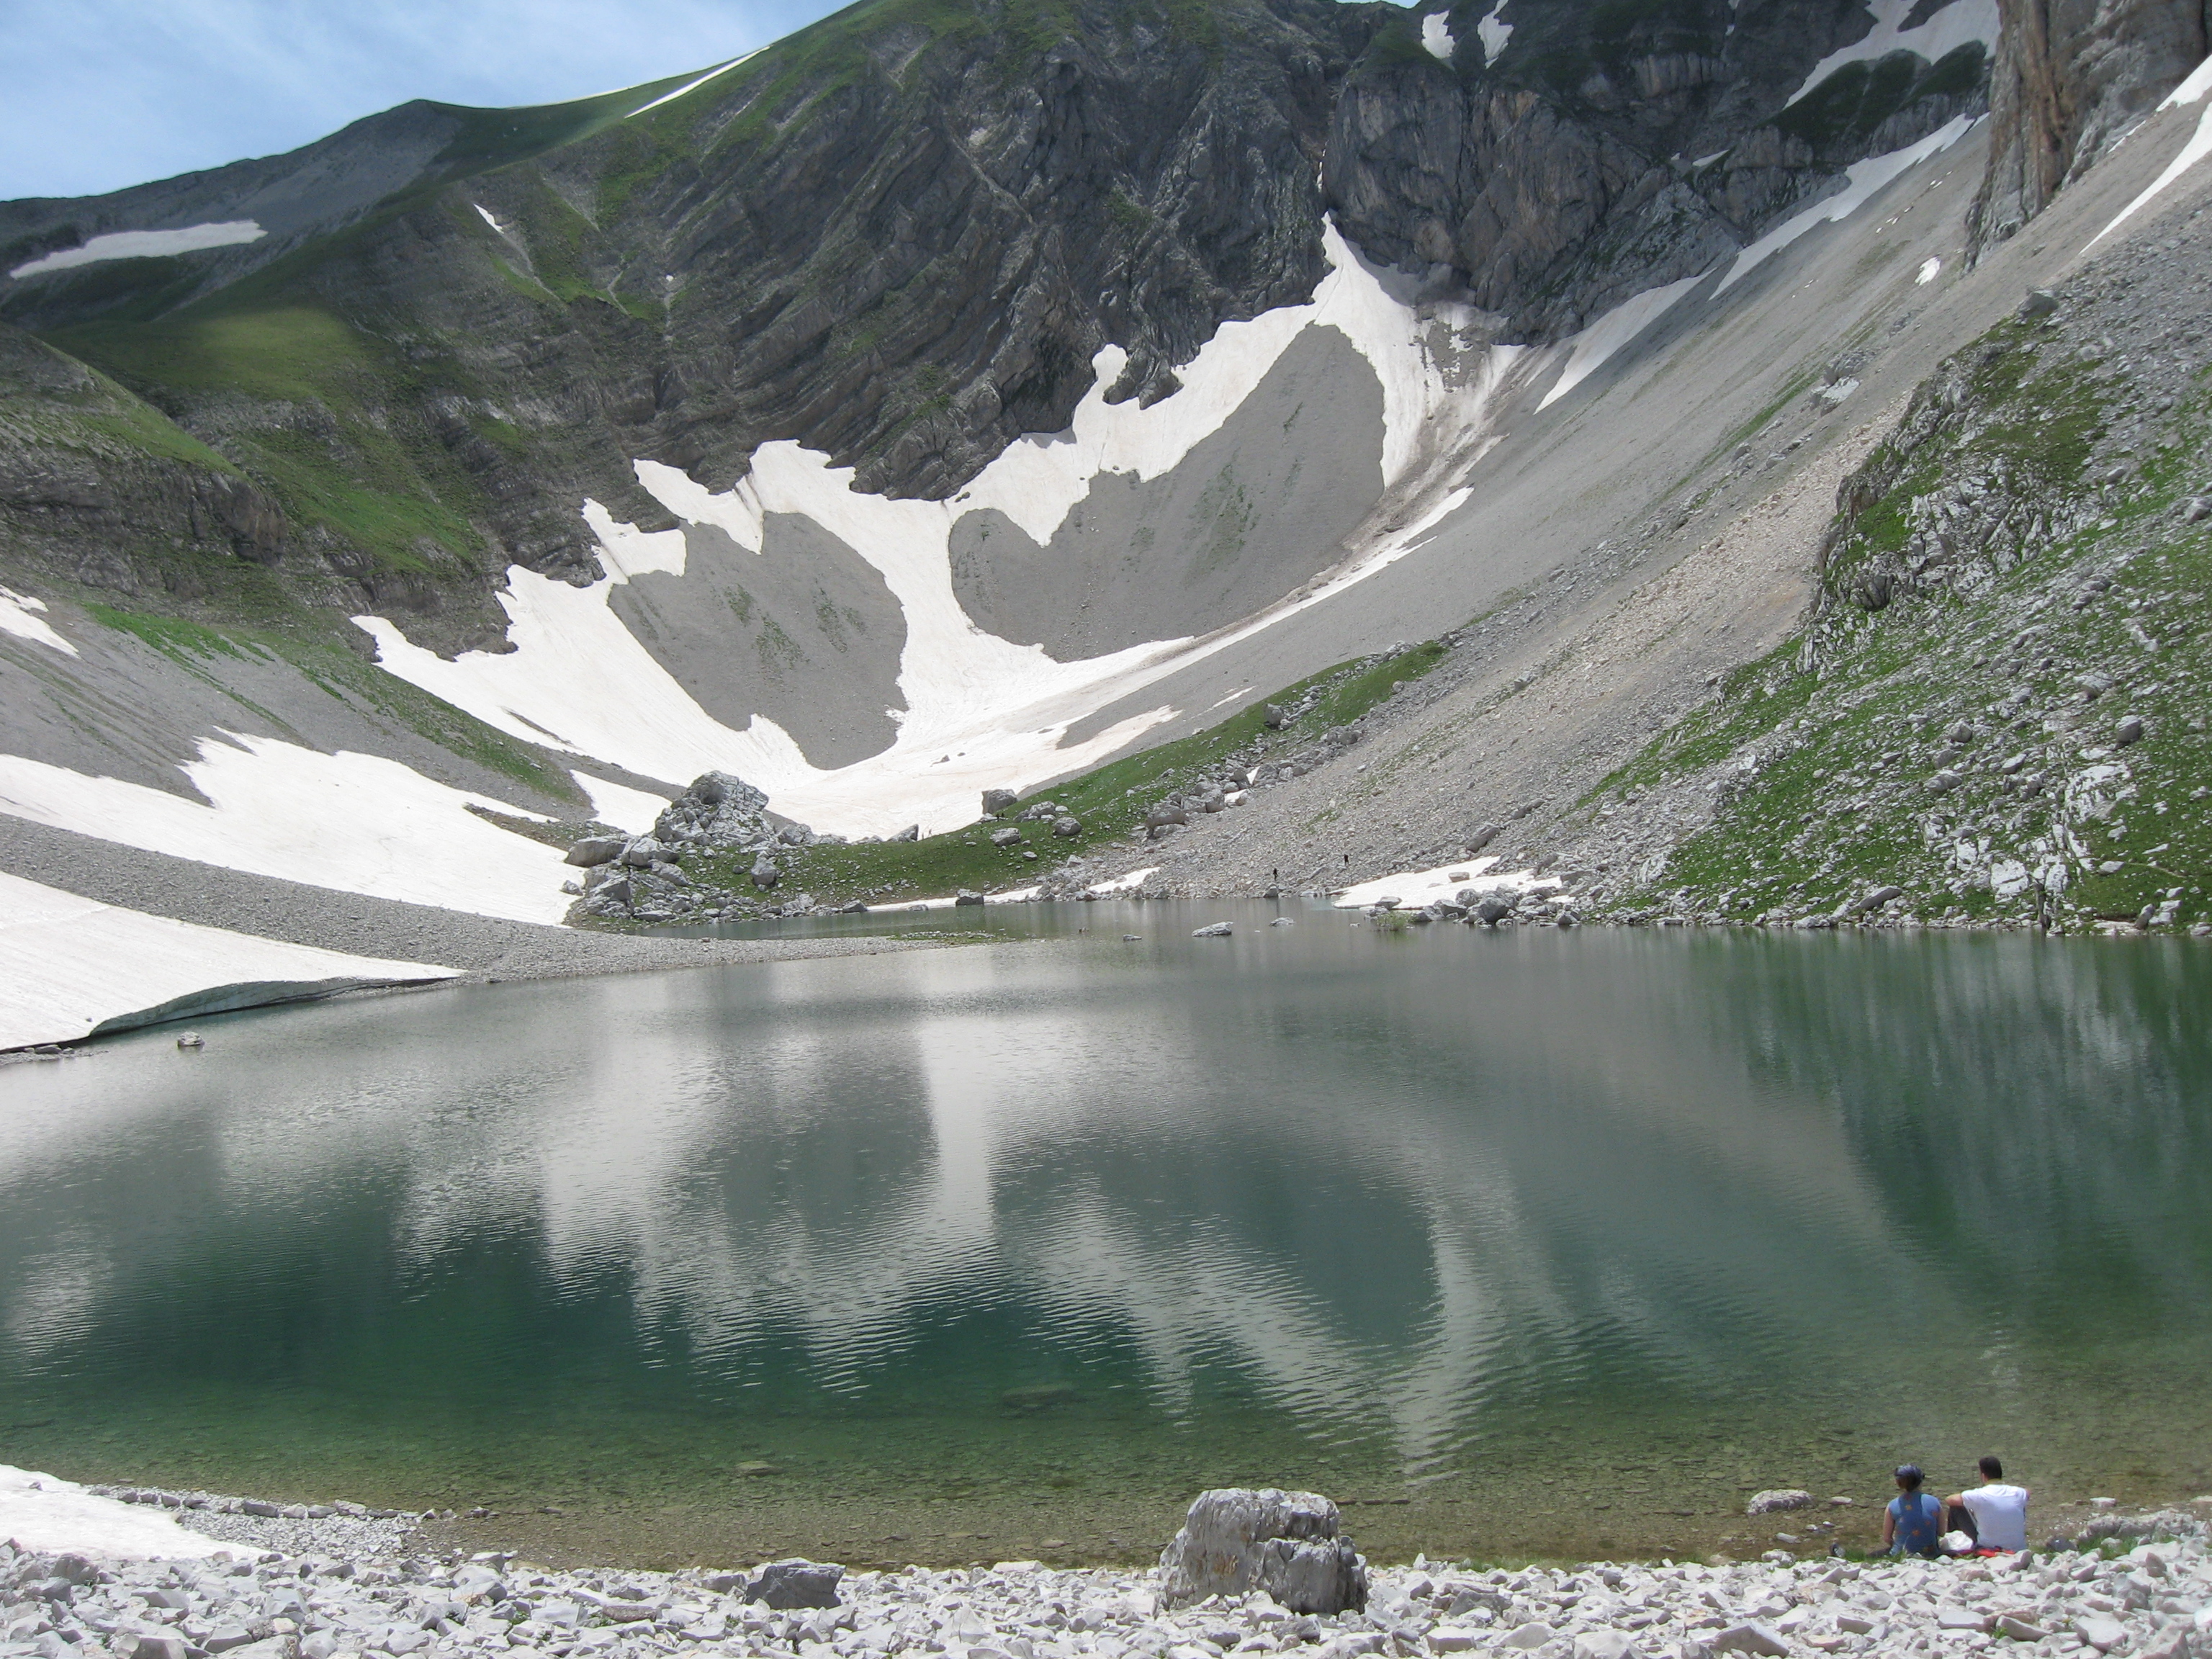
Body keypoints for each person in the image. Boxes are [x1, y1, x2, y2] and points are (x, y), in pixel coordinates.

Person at [1945, 1456, 2031, 1553]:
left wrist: (1975, 1511)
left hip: (1988, 1547)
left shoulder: (1979, 1494)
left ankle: (1954, 1544)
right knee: (2020, 1504)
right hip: (2018, 1549)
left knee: (1956, 1508)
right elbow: (2027, 1493)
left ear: (1983, 1476)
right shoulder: (2018, 1492)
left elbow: (1949, 1500)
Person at [1883, 1464, 1944, 1556]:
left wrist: (1897, 1545)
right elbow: (1942, 1532)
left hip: (1902, 1554)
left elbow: (1887, 1538)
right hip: (1931, 1554)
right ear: (1920, 1481)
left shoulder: (1892, 1505)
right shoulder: (1935, 1501)